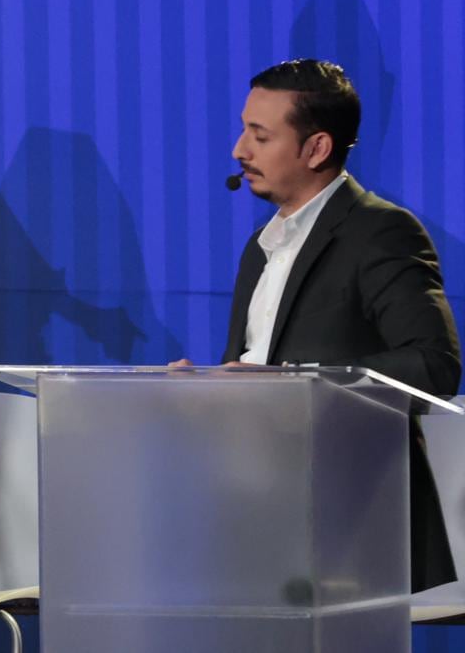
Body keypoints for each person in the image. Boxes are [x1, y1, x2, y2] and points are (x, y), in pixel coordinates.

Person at [181, 59, 460, 592]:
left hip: (352, 531)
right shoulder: (260, 248)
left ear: (316, 149)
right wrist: (203, 393)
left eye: (260, 136)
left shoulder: (381, 232)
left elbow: (433, 365)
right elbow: (254, 381)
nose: (239, 150)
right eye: (243, 130)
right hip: (261, 523)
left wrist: (291, 381)